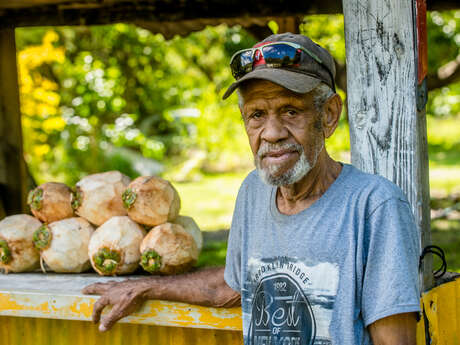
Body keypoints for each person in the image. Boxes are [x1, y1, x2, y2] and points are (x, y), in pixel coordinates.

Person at [83, 33, 420, 345]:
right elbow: (232, 285)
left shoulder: (374, 206)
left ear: (329, 115)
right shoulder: (253, 192)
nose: (272, 133)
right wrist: (145, 286)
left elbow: (395, 340)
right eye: (256, 115)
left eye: (291, 111)